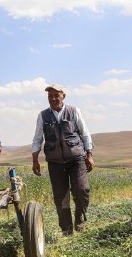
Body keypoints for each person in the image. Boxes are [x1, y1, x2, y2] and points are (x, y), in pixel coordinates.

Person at [31, 84, 94, 236]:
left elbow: (85, 133)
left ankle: (80, 218)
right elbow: (38, 139)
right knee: (60, 197)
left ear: (63, 96)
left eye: (56, 95)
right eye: (50, 96)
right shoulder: (43, 116)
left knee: (82, 190)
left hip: (76, 158)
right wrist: (35, 160)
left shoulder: (74, 111)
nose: (53, 99)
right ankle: (66, 230)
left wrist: (89, 155)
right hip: (55, 162)